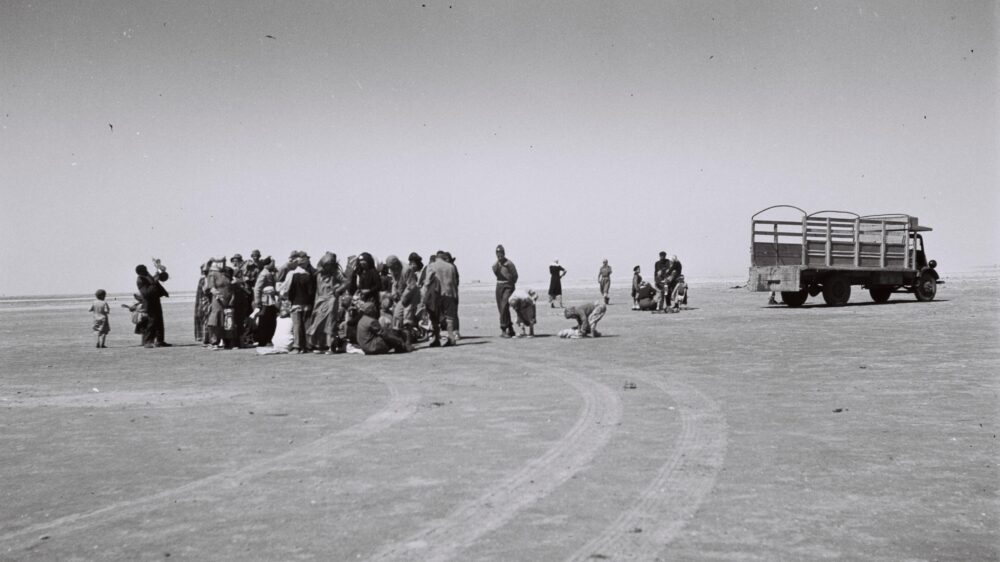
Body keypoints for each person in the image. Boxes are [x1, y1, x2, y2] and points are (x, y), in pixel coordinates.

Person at [306, 252, 346, 354]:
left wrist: (338, 290)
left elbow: (346, 282)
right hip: (320, 300)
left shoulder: (336, 273)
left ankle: (331, 347)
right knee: (318, 323)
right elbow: (317, 290)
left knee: (330, 323)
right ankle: (320, 346)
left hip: (331, 299)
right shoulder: (319, 274)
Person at [425, 250, 459, 346]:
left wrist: (424, 296)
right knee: (450, 318)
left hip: (437, 294)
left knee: (435, 317)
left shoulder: (432, 266)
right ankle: (451, 338)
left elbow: (427, 282)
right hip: (450, 293)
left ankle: (436, 338)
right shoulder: (451, 266)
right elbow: (455, 282)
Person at [285, 253, 315, 353]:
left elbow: (290, 291)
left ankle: (297, 346)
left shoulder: (292, 275)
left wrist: (290, 301)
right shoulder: (308, 276)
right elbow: (311, 292)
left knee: (297, 325)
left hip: (295, 303)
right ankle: (307, 346)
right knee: (307, 324)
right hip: (307, 303)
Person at [136, 260, 170, 348]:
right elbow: (146, 292)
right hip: (149, 303)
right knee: (152, 321)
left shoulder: (146, 276)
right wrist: (155, 281)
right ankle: (147, 342)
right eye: (145, 270)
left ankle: (160, 341)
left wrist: (159, 271)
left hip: (155, 301)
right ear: (141, 272)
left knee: (159, 321)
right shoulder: (141, 279)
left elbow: (154, 280)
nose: (147, 271)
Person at [493, 245, 518, 337]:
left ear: (504, 253)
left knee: (504, 306)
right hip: (499, 286)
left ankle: (503, 328)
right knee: (502, 308)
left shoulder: (509, 264)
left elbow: (515, 276)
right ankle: (510, 328)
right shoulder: (496, 265)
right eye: (498, 254)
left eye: (501, 254)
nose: (499, 256)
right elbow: (496, 273)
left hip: (508, 286)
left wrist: (510, 284)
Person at [253, 258, 278, 345]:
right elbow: (257, 288)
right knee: (265, 321)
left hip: (269, 301)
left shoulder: (268, 273)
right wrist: (258, 301)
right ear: (267, 264)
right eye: (272, 263)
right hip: (265, 302)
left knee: (269, 320)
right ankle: (263, 340)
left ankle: (267, 339)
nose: (273, 265)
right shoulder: (264, 274)